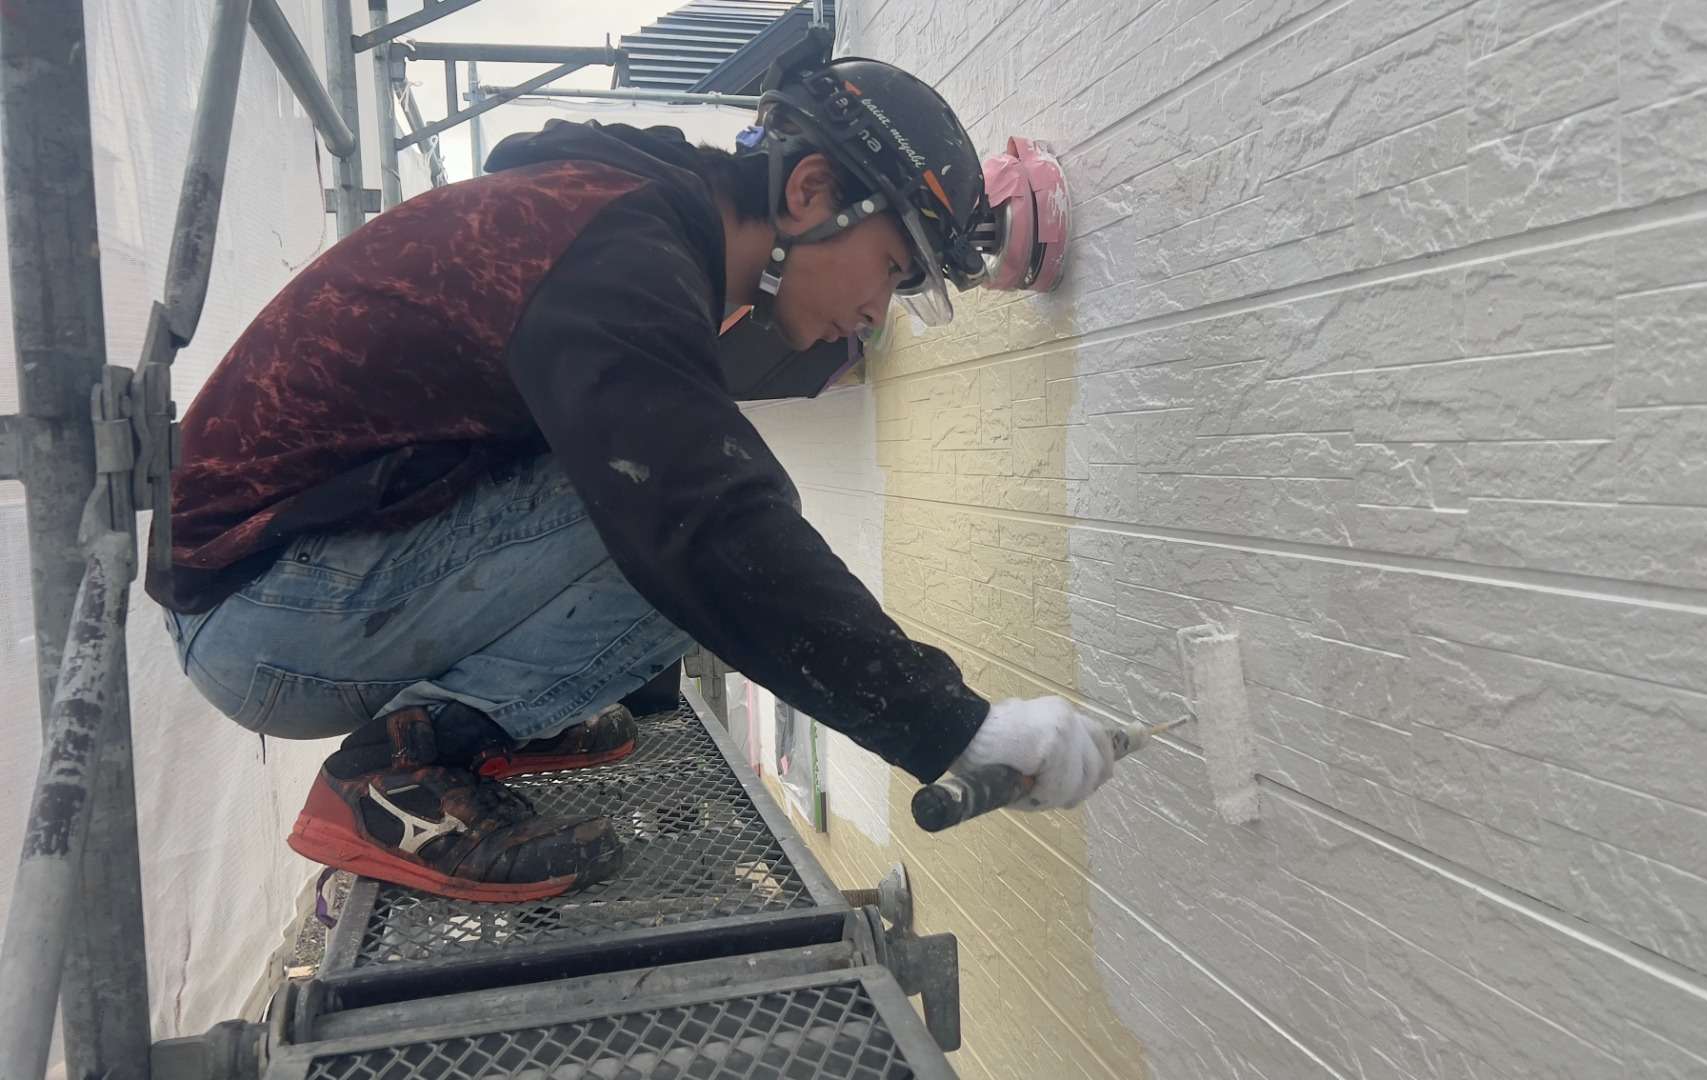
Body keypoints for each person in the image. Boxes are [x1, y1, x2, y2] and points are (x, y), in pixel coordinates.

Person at [151, 42, 1117, 903]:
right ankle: (395, 773)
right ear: (811, 191)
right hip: (260, 612)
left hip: (298, 583)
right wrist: (955, 729)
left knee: (689, 503)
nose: (876, 311)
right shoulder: (609, 252)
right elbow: (710, 521)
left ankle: (485, 720)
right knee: (690, 522)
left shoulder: (628, 226)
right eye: (893, 268)